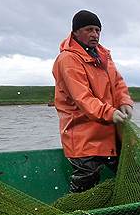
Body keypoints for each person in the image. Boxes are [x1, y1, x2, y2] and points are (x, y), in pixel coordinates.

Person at [52, 10, 133, 193]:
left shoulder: (103, 55)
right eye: (89, 29)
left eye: (97, 30)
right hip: (83, 137)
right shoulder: (68, 59)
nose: (95, 34)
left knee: (133, 175)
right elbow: (83, 98)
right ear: (75, 32)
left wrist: (125, 102)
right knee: (85, 188)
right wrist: (110, 113)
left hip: (110, 135)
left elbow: (118, 83)